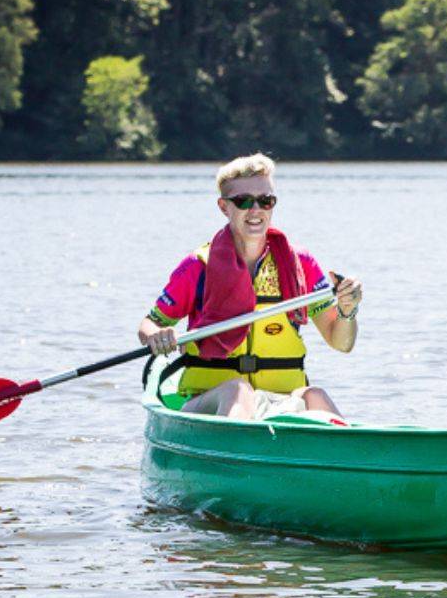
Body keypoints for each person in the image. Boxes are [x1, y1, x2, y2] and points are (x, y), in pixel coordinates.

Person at [138, 153, 363, 421]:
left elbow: (341, 342)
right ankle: (237, 451)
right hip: (208, 401)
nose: (256, 210)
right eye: (243, 201)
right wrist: (156, 335)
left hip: (278, 401)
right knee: (238, 390)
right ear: (224, 206)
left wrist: (347, 311)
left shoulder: (301, 264)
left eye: (265, 201)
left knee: (316, 395)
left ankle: (351, 455)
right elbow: (149, 323)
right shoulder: (197, 266)